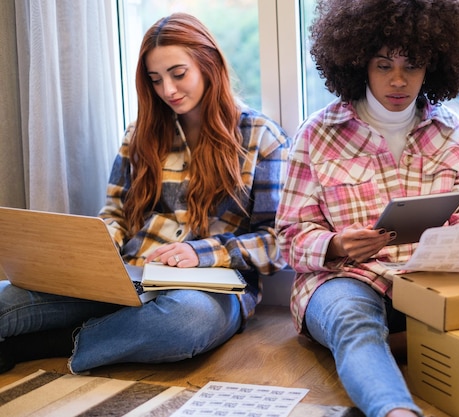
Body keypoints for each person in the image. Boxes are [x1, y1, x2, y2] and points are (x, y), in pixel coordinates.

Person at [275, 1, 459, 417]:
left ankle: (403, 342)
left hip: (432, 284)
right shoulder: (317, 134)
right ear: (359, 63)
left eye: (412, 66)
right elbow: (289, 237)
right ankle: (396, 409)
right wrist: (337, 244)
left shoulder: (451, 131)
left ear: (433, 66)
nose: (398, 81)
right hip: (350, 283)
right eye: (383, 66)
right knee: (352, 319)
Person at [0, 13, 290, 375]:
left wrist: (199, 253)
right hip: (127, 276)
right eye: (156, 80)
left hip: (208, 290)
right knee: (5, 297)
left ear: (209, 63)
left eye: (178, 74)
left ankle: (44, 343)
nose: (168, 90)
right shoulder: (140, 134)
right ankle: (114, 326)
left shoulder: (262, 137)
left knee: (184, 322)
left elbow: (278, 243)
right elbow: (115, 214)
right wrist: (93, 251)